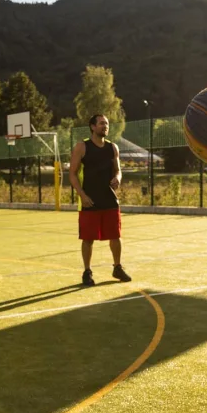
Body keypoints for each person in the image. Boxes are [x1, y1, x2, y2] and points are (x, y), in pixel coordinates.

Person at [68, 113, 131, 286]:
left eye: (107, 124)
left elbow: (118, 170)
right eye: (102, 123)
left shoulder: (113, 148)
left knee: (115, 236)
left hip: (109, 199)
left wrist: (118, 177)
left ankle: (117, 267)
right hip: (89, 199)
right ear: (92, 127)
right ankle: (87, 272)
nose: (105, 126)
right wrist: (82, 195)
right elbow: (72, 174)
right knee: (88, 238)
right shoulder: (82, 147)